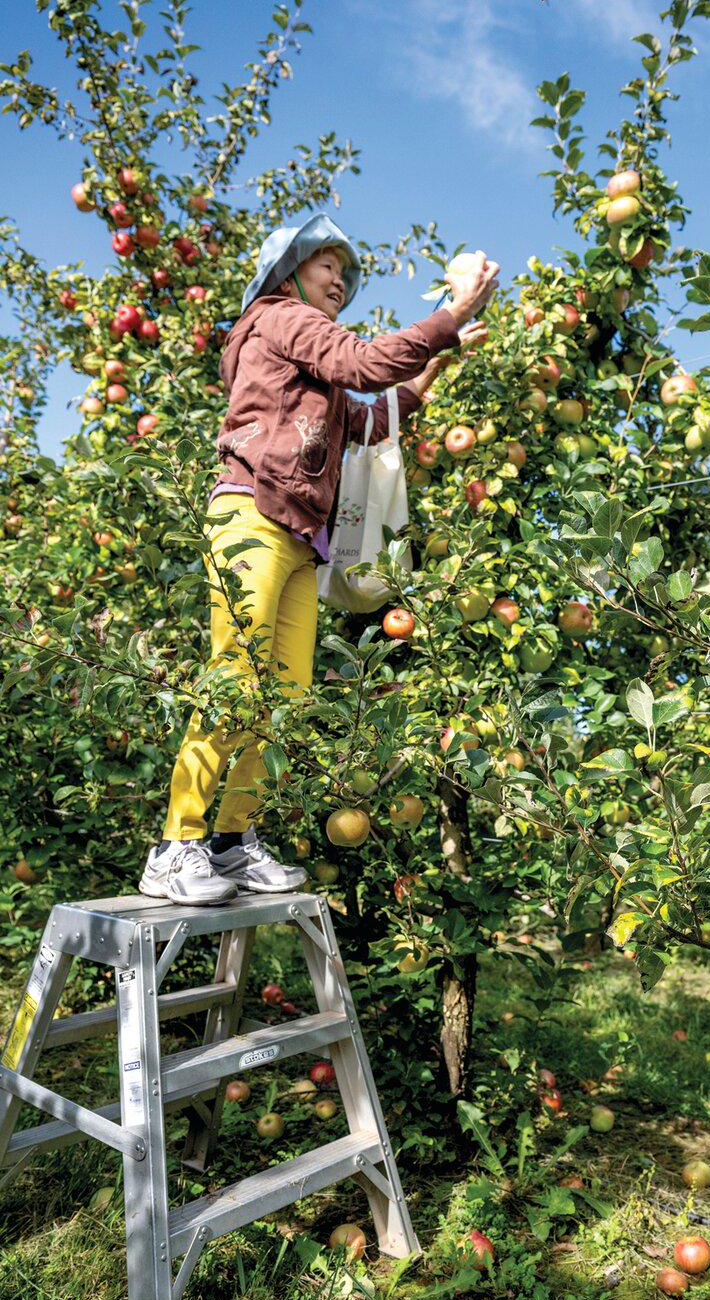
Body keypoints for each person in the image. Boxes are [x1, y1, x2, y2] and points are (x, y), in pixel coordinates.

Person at [139, 213, 498, 905]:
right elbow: (363, 363)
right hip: (251, 512)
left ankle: (232, 842)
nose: (339, 279)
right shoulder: (277, 317)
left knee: (285, 699)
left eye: (343, 270)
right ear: (289, 270)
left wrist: (439, 355)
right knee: (234, 679)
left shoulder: (311, 362)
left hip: (301, 538)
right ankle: (175, 843)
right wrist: (450, 312)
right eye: (327, 264)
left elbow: (368, 417)